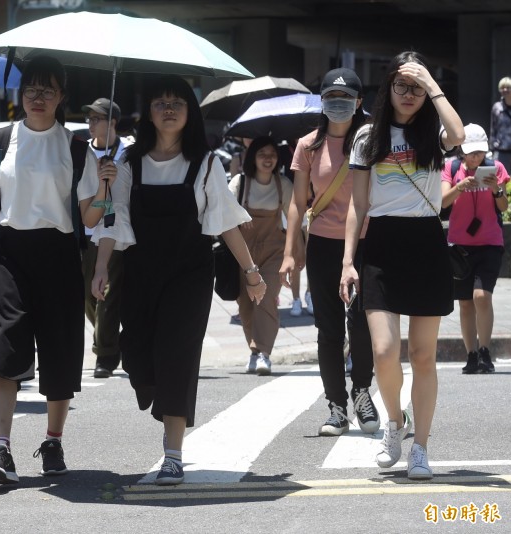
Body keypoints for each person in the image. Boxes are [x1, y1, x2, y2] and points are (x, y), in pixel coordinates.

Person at [91, 75, 266, 486]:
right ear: (148, 112)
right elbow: (115, 218)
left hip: (189, 275)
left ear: (190, 112)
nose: (168, 109)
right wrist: (101, 267)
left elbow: (224, 223)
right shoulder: (128, 163)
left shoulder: (206, 163)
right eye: (159, 102)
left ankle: (173, 454)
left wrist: (251, 272)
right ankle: (154, 385)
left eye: (177, 102)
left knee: (177, 358)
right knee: (134, 351)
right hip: (140, 271)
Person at [0, 55, 116, 485]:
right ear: (20, 95)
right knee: (3, 346)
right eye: (31, 89)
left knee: (61, 349)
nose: (38, 98)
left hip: (60, 253)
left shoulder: (76, 146)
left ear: (62, 96)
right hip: (9, 254)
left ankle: (52, 439)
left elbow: (89, 218)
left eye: (48, 90)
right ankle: (1, 447)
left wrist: (104, 186)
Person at [340, 51, 464, 480]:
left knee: (424, 356)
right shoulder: (367, 137)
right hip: (382, 248)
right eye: (401, 85)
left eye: (416, 87)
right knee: (383, 351)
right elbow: (358, 206)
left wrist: (432, 84)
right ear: (387, 88)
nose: (409, 94)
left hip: (426, 241)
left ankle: (421, 450)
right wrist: (347, 263)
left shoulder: (434, 131)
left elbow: (460, 132)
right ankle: (395, 423)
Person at [280, 68, 379, 437]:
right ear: (322, 102)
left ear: (359, 103)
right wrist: (291, 251)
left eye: (345, 98)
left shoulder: (370, 141)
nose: (338, 104)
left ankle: (362, 392)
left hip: (367, 243)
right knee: (329, 329)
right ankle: (336, 406)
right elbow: (297, 202)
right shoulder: (308, 145)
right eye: (331, 98)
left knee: (363, 324)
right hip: (322, 244)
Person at [441, 123, 509, 374]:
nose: (475, 157)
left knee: (482, 296)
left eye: (479, 152)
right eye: (471, 152)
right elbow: (442, 202)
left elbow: (503, 207)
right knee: (466, 302)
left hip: (490, 242)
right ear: (461, 150)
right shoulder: (452, 168)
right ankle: (471, 354)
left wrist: (496, 189)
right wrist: (459, 187)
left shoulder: (496, 168)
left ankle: (485, 350)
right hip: (460, 245)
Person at [231, 136, 294, 376]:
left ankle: (263, 353)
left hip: (274, 253)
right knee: (246, 305)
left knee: (265, 299)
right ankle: (254, 352)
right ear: (252, 158)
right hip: (244, 254)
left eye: (272, 154)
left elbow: (296, 219)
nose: (268, 158)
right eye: (262, 154)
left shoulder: (284, 185)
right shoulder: (240, 182)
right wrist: (240, 218)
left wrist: (296, 251)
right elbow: (226, 211)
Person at [80, 97, 132, 378]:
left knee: (107, 296)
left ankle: (105, 353)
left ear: (113, 122)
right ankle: (110, 340)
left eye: (97, 118)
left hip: (121, 234)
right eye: (90, 118)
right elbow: (91, 206)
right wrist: (102, 193)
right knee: (89, 296)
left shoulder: (128, 152)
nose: (91, 123)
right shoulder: (84, 153)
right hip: (89, 234)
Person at [489, 77, 511, 173]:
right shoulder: (497, 107)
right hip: (501, 151)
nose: (504, 90)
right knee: (501, 178)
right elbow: (493, 128)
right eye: (502, 88)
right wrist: (492, 148)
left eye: (507, 87)